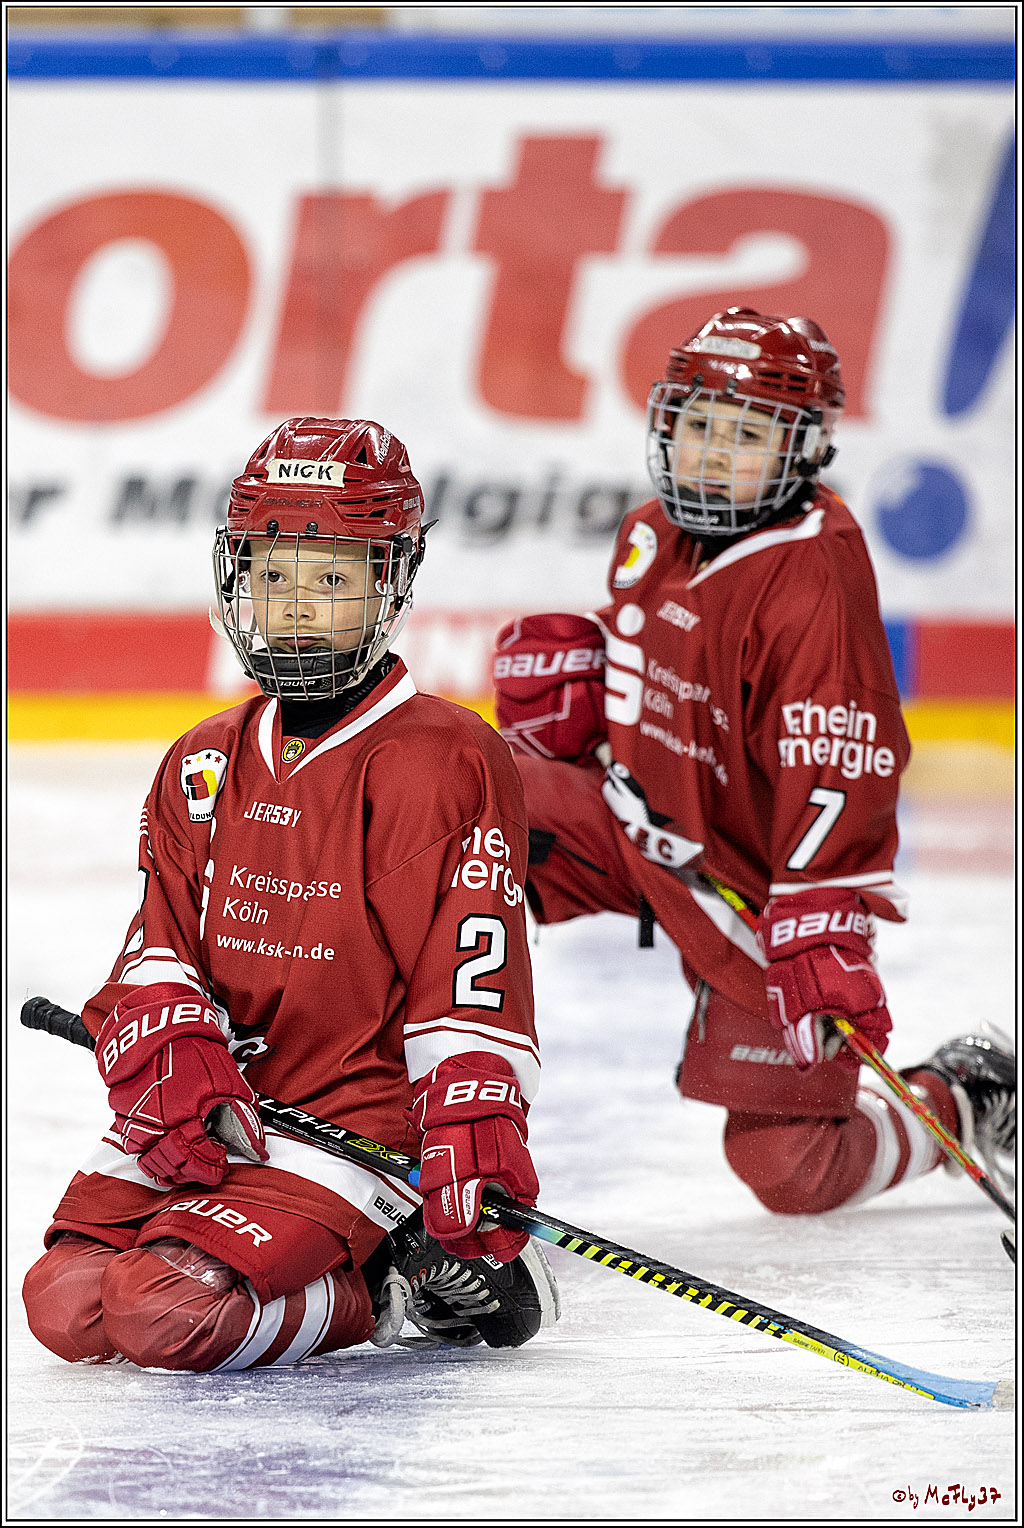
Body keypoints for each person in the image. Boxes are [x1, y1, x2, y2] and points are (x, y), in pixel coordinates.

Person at [23, 417, 558, 1372]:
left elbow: (471, 966)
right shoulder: (200, 758)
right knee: (65, 1307)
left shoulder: (446, 757)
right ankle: (359, 1261)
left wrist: (472, 1114)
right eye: (274, 576)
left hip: (356, 1115)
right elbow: (160, 941)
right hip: (221, 1107)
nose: (298, 607)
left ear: (391, 581)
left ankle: (392, 1287)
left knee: (164, 1314)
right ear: (237, 577)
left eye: (333, 579)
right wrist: (169, 1045)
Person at [493, 307, 1015, 1216]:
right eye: (699, 426)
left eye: (746, 435)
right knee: (453, 795)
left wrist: (818, 921)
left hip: (746, 894)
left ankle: (964, 1098)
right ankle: (384, 1083)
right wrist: (587, 704)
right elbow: (675, 677)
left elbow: (840, 760)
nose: (711, 453)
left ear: (804, 449)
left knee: (790, 1169)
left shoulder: (813, 577)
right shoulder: (649, 533)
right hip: (634, 829)